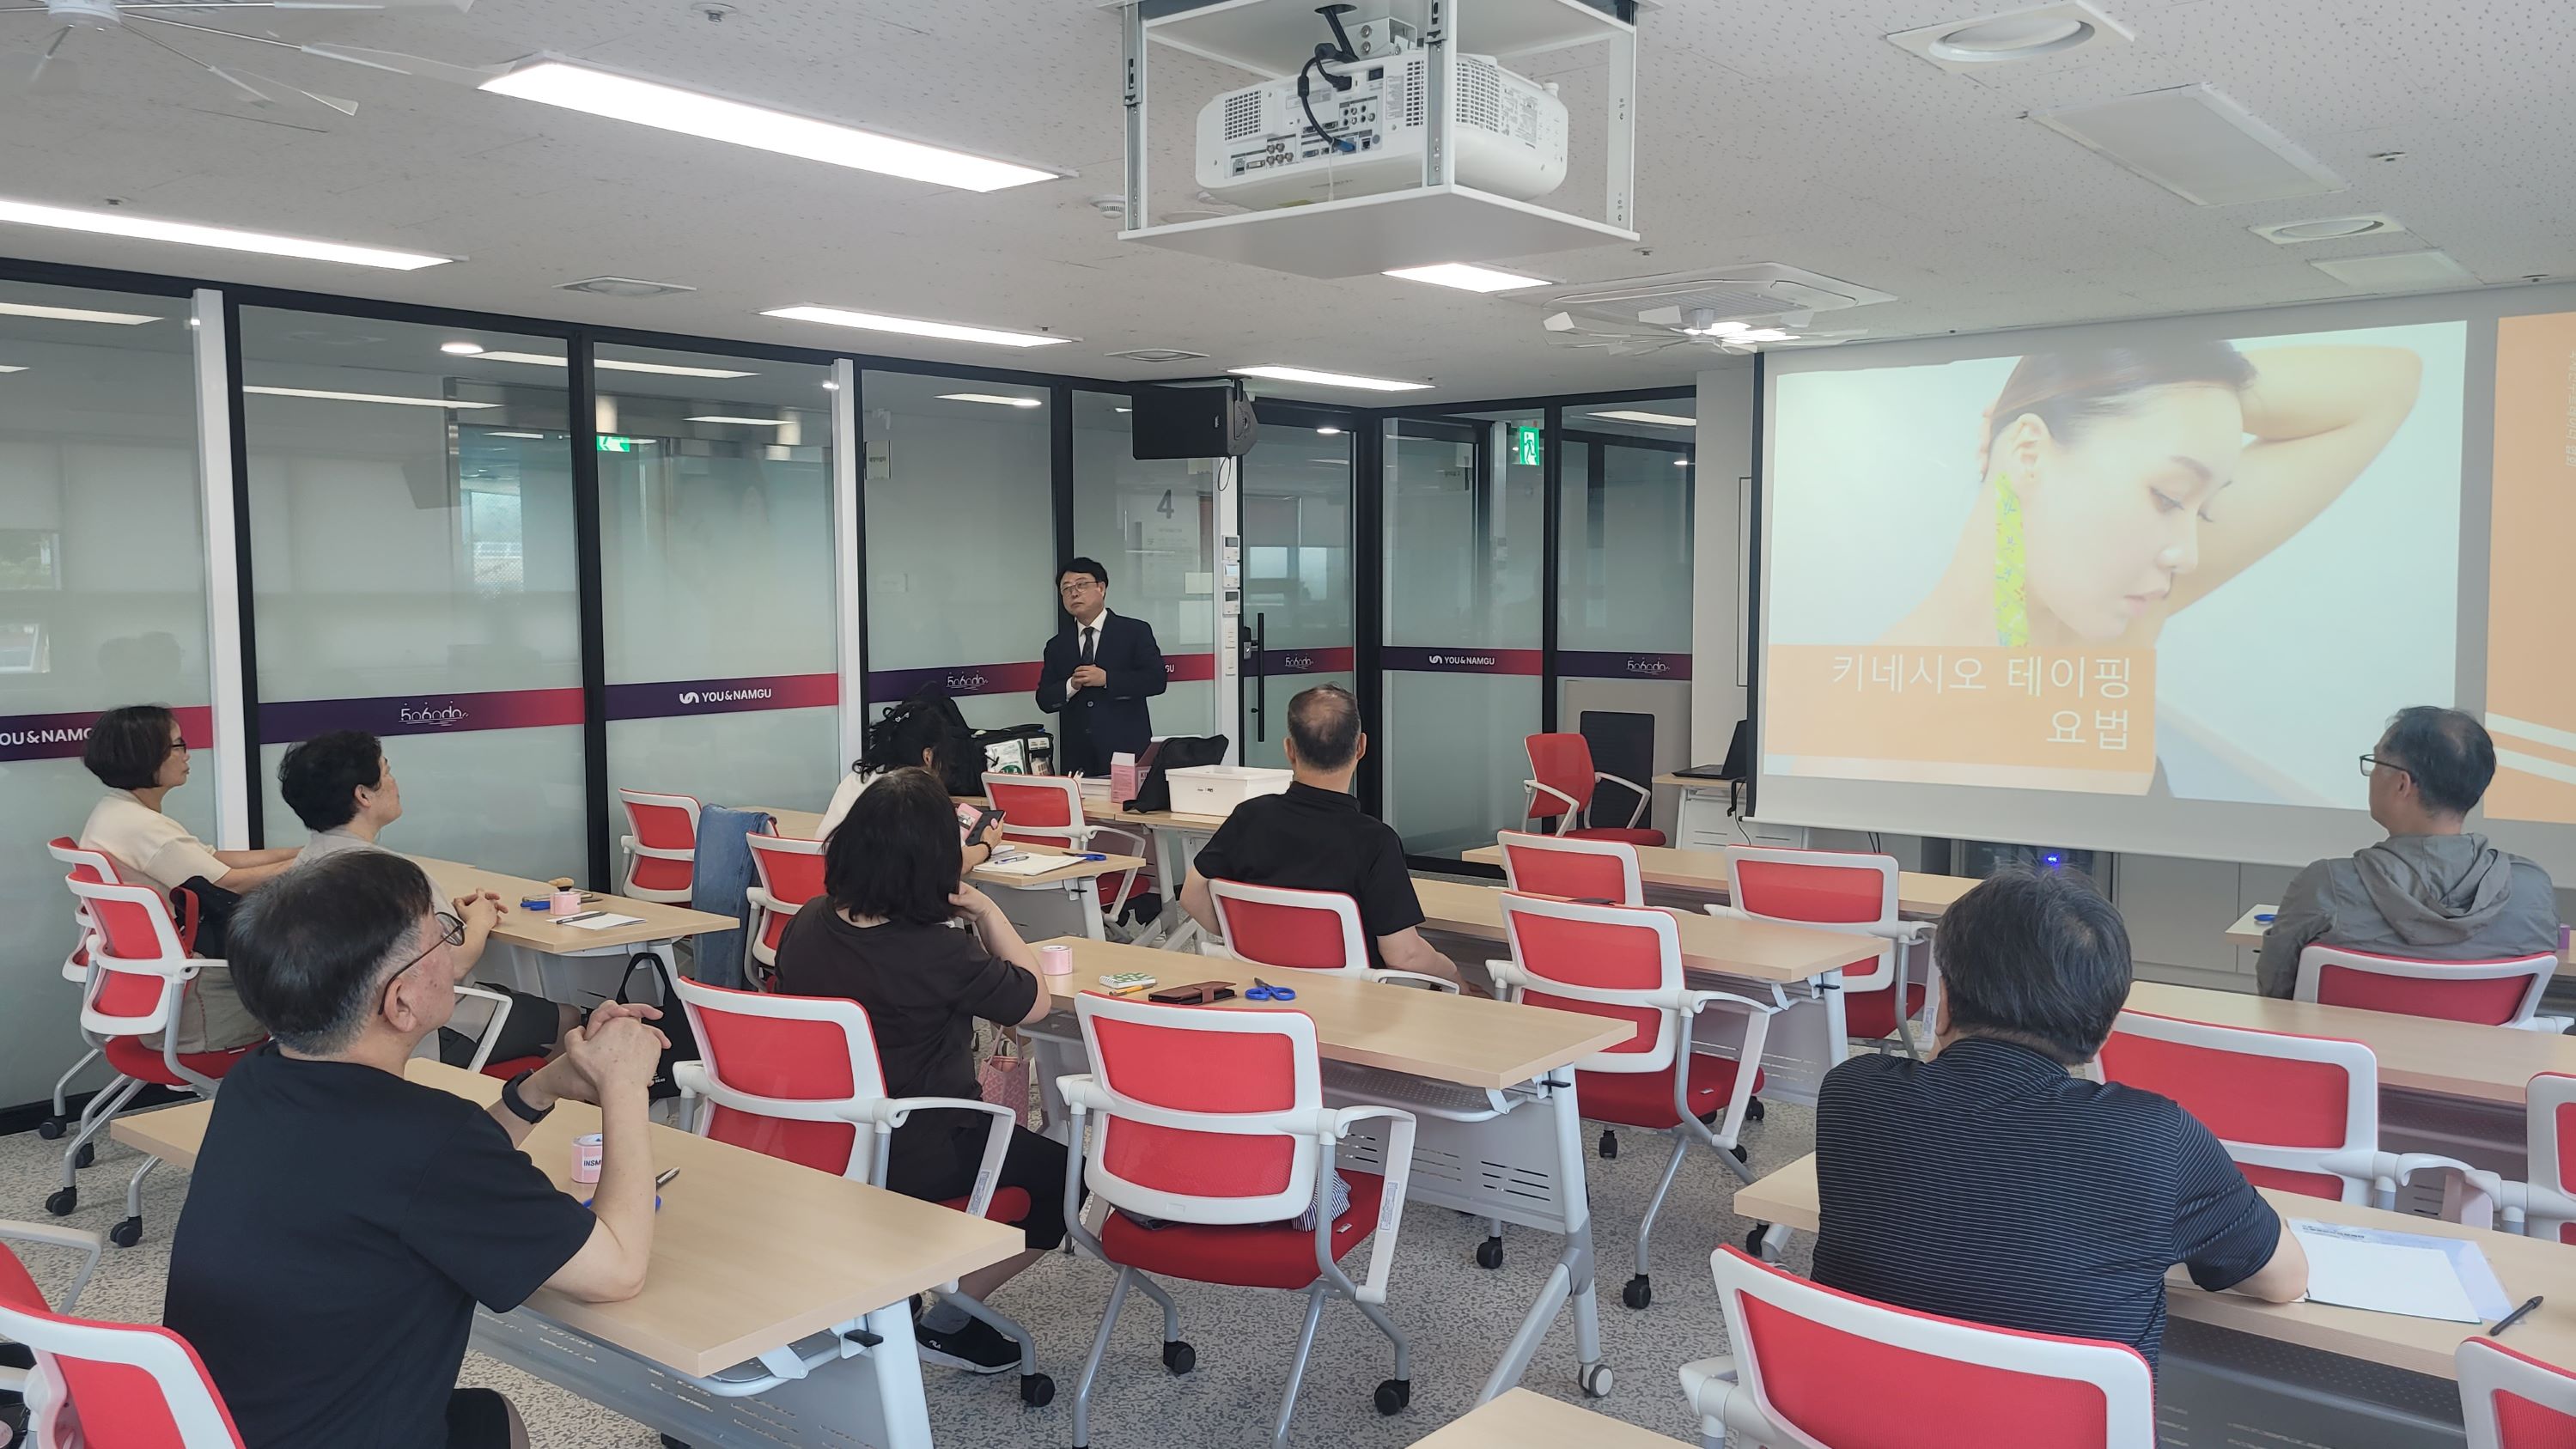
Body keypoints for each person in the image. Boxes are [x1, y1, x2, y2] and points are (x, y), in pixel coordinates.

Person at [163, 851, 668, 1449]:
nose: (454, 956)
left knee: (490, 1418)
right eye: (443, 939)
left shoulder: (257, 1081)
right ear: (400, 1002)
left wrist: (541, 1088)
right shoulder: (428, 1138)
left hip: (215, 1428)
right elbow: (616, 1270)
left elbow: (419, 1179)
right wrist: (624, 1084)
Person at [1812, 866, 2305, 1367]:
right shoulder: (2156, 1138)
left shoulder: (1852, 1093)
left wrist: (1946, 1035)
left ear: (1943, 1001)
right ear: (2105, 1030)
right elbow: (2285, 1280)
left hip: (1849, 1406)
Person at [771, 766, 1069, 1374]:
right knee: (1066, 1179)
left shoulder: (806, 922)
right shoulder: (939, 951)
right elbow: (1034, 1001)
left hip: (822, 1141)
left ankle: (898, 1291)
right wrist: (986, 911)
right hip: (921, 1148)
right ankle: (950, 1321)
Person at [1884, 342, 2422, 648]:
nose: (2188, 556)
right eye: (2169, 497)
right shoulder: (1877, 723)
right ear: (2028, 453)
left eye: (2203, 511)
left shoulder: (2126, 605)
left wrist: (2189, 392)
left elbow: (2390, 382)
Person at [277, 728, 581, 1067]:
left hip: (336, 1033)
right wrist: (480, 921)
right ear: (363, 795)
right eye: (387, 771)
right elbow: (454, 965)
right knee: (569, 1021)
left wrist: (451, 921)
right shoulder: (395, 875)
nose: (395, 783)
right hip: (422, 1032)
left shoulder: (301, 868)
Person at [2259, 708, 2561, 999]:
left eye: (2377, 762)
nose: (2371, 774)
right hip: (2476, 1039)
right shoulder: (2530, 889)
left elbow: (2274, 991)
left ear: (2402, 784)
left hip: (2346, 1037)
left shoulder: (2327, 886)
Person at [1178, 685, 1464, 988]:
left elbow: (1191, 896)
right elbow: (1405, 956)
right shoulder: (1375, 841)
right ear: (1361, 747)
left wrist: (1248, 937)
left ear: (1289, 750)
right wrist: (1456, 976)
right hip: (1357, 1003)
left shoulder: (1249, 817)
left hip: (1265, 994)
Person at [76, 703, 297, 1051]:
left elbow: (210, 859)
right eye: (178, 745)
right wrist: (315, 860)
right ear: (147, 755)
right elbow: (226, 882)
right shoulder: (141, 827)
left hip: (155, 982)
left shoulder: (116, 812)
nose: (187, 754)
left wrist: (297, 853)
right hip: (193, 985)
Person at [816, 702, 1007, 874]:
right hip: (882, 896)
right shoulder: (919, 791)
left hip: (837, 891)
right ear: (928, 755)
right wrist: (987, 844)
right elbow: (958, 863)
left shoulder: (857, 778)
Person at [1035, 557, 1166, 776]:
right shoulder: (1057, 645)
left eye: (1081, 585)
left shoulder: (1134, 632)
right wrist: (1071, 685)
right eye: (1066, 589)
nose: (1074, 593)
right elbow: (1045, 699)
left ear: (1101, 588)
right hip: (1077, 755)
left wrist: (1107, 679)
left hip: (1125, 749)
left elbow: (1156, 681)